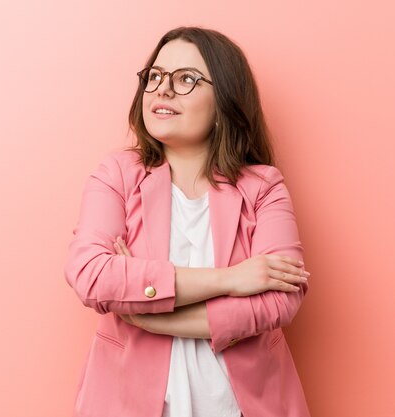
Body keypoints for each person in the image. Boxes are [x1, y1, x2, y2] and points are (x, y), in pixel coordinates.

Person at [64, 26, 311, 417]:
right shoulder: (117, 175)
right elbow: (92, 275)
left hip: (244, 405)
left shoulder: (264, 186)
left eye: (186, 80)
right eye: (155, 77)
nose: (162, 90)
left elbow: (282, 297)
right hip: (127, 403)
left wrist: (151, 316)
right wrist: (232, 279)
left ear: (225, 100)